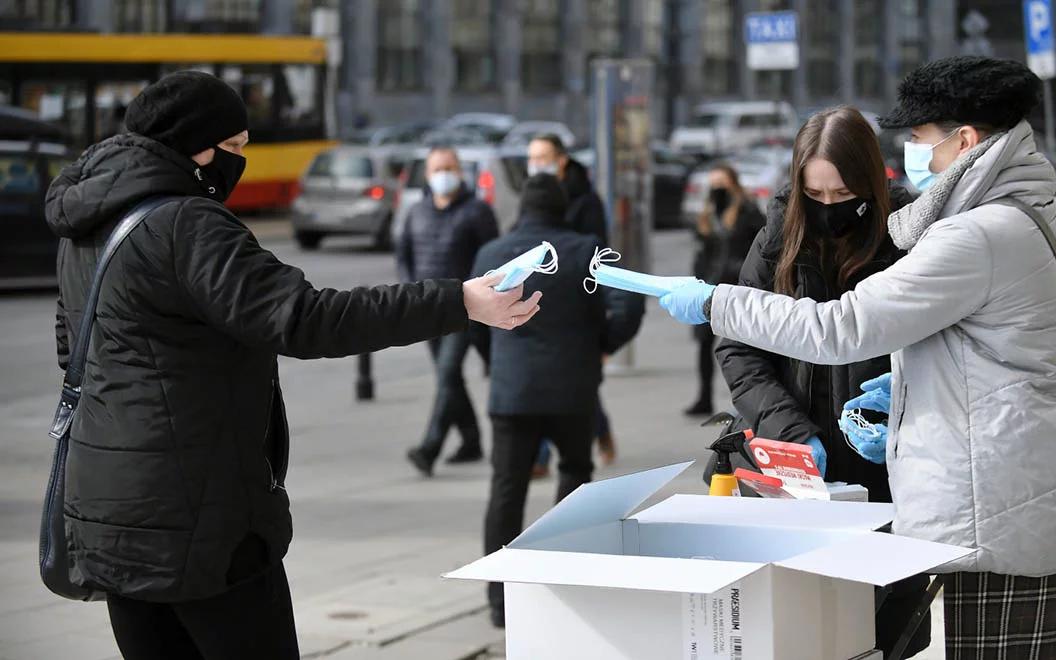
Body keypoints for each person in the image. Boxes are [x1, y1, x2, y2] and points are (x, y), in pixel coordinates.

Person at [659, 57, 1056, 658]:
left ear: (963, 140)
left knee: (898, 639)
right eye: (816, 193)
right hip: (1009, 480)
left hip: (1000, 492)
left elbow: (844, 328)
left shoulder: (966, 233)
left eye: (919, 138)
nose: (916, 150)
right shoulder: (1032, 210)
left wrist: (714, 301)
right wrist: (797, 424)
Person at [45, 71, 540, 660]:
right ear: (195, 145)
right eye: (232, 149)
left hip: (105, 512)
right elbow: (306, 318)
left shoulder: (89, 224)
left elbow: (70, 347)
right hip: (198, 518)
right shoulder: (188, 225)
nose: (239, 163)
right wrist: (457, 301)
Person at [713, 107, 927, 657]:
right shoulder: (777, 239)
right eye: (817, 195)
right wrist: (788, 429)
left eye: (842, 194)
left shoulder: (909, 239)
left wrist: (899, 402)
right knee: (805, 629)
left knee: (885, 632)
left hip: (888, 482)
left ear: (872, 180)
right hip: (797, 478)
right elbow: (739, 345)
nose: (830, 208)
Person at [470, 174, 643, 629]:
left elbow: (471, 321)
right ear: (563, 206)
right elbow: (631, 301)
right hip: (573, 387)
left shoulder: (491, 254)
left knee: (506, 491)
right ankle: (565, 583)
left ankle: (500, 601)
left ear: (522, 208)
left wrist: (496, 359)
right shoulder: (587, 249)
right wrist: (602, 343)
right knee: (575, 479)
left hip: (512, 392)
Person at [397, 146, 500, 476]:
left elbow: (491, 260)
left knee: (445, 374)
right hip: (426, 308)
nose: (444, 174)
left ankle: (429, 448)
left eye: (449, 167)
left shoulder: (477, 211)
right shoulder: (417, 212)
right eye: (438, 169)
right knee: (450, 377)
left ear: (460, 171)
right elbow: (404, 256)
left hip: (464, 308)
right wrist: (409, 293)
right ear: (428, 175)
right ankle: (471, 441)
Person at [526, 133, 617, 467]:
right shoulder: (532, 197)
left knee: (577, 383)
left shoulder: (585, 201)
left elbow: (597, 256)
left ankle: (595, 433)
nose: (536, 165)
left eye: (543, 157)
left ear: (561, 160)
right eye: (532, 158)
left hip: (575, 303)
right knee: (548, 381)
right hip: (539, 301)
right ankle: (540, 455)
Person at [686, 164, 765, 416]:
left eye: (722, 182)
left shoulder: (747, 210)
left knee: (741, 347)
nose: (717, 189)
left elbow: (762, 245)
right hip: (708, 287)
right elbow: (703, 251)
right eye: (713, 184)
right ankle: (704, 397)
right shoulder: (708, 214)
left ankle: (747, 402)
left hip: (737, 287)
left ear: (733, 182)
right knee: (703, 343)